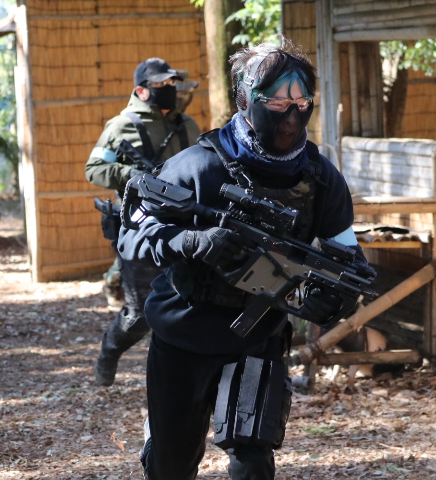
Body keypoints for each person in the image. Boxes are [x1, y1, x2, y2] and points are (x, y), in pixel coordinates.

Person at [118, 39, 374, 480]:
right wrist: (191, 241)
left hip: (258, 337)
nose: (291, 115)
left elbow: (348, 259)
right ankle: (158, 438)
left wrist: (334, 300)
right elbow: (132, 234)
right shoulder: (197, 166)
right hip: (184, 333)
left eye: (301, 102)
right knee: (171, 465)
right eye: (276, 102)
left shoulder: (321, 178)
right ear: (244, 100)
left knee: (253, 464)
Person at [85, 58, 201, 386]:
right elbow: (94, 169)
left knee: (192, 304)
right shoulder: (120, 126)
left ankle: (181, 378)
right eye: (161, 84)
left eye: (171, 83)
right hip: (141, 229)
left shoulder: (188, 125)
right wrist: (130, 174)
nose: (169, 89)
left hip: (186, 227)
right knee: (139, 315)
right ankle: (110, 350)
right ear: (142, 90)